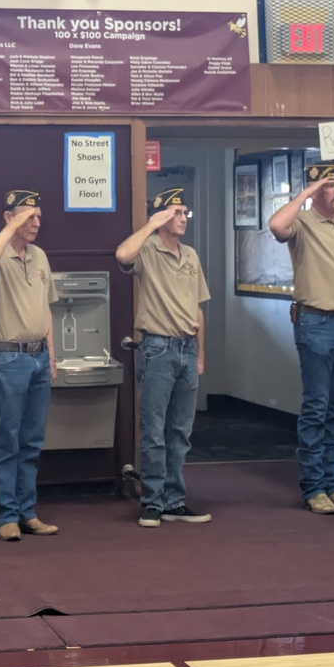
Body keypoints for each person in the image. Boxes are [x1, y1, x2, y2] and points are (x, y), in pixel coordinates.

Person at [267, 163, 334, 515]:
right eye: (330, 185)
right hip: (315, 323)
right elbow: (276, 226)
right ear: (314, 192)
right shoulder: (303, 224)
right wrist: (307, 194)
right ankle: (313, 488)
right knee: (316, 408)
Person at [115, 187, 211, 528]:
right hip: (157, 348)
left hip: (187, 348)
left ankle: (175, 500)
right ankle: (152, 502)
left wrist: (200, 354)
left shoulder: (191, 256)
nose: (184, 218)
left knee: (180, 431)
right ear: (161, 218)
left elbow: (198, 309)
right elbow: (123, 255)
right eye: (177, 213)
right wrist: (149, 224)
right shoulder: (148, 250)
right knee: (154, 430)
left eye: (186, 213)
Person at [0, 189, 59, 542]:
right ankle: (6, 514)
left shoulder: (39, 256)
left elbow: (47, 307)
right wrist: (9, 229)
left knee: (32, 440)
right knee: (6, 438)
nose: (36, 223)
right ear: (9, 218)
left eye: (39, 216)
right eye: (28, 217)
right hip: (7, 357)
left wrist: (52, 355)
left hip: (38, 357)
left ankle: (28, 512)